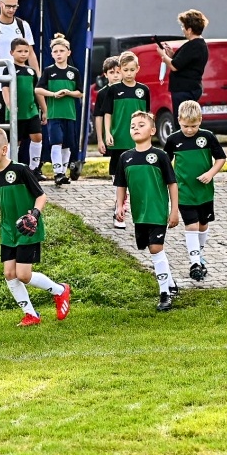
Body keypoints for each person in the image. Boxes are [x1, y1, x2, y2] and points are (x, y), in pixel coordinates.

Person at [0, 126, 71, 326]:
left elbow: (41, 196)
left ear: (4, 150)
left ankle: (60, 290)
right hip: (8, 232)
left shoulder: (20, 170)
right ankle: (31, 314)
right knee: (9, 273)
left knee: (23, 275)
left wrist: (34, 215)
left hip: (28, 230)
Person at [112, 111, 179, 310]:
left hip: (157, 211)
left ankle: (165, 295)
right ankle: (171, 283)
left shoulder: (160, 156)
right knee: (148, 248)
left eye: (141, 125)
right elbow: (121, 185)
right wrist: (119, 206)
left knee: (155, 248)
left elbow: (172, 184)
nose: (135, 128)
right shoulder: (125, 158)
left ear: (152, 130)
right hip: (139, 213)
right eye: (133, 125)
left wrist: (174, 210)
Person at [164, 100, 226, 282]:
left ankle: (199, 254)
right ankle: (194, 263)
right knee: (191, 225)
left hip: (205, 191)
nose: (189, 130)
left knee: (203, 225)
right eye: (185, 126)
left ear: (200, 120)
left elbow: (221, 158)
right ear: (178, 120)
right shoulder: (173, 140)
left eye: (193, 126)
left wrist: (210, 173)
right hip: (184, 191)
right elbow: (166, 163)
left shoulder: (207, 137)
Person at [100, 51, 150, 229]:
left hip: (138, 143)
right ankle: (119, 212)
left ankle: (141, 215)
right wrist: (108, 133)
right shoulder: (113, 90)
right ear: (120, 70)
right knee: (120, 181)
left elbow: (146, 116)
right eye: (125, 70)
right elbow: (107, 113)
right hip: (119, 141)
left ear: (138, 69)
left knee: (138, 179)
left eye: (132, 70)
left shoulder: (143, 90)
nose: (128, 73)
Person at [36, 35, 82, 185]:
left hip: (70, 114)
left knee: (67, 144)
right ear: (51, 54)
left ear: (69, 52)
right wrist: (53, 94)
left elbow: (80, 92)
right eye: (55, 51)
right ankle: (58, 172)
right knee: (56, 142)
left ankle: (63, 172)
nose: (59, 54)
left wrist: (68, 93)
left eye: (62, 50)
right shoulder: (49, 71)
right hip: (54, 114)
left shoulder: (74, 72)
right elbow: (38, 90)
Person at [7, 38, 43, 173]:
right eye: (20, 51)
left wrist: (44, 110)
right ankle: (11, 168)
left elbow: (37, 91)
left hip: (31, 110)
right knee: (15, 140)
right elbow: (5, 89)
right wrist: (10, 106)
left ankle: (34, 168)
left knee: (37, 136)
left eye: (26, 51)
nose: (23, 54)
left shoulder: (31, 71)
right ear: (12, 52)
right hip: (17, 111)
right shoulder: (9, 69)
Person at [168, 10, 209, 120]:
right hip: (188, 88)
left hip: (185, 89)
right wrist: (171, 55)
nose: (182, 30)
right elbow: (183, 62)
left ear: (189, 30)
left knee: (183, 120)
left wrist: (163, 56)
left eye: (183, 26)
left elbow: (174, 66)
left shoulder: (194, 46)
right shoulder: (197, 45)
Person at [92, 56, 121, 165]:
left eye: (118, 72)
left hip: (127, 133)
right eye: (112, 72)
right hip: (111, 134)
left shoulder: (129, 90)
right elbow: (99, 117)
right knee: (115, 162)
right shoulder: (102, 93)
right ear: (105, 74)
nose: (116, 75)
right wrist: (100, 140)